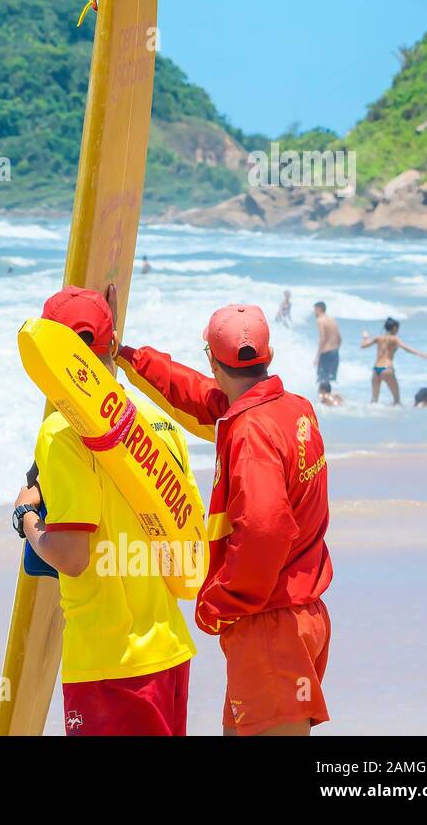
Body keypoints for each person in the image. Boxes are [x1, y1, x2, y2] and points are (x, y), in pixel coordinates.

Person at [117, 304, 332, 736]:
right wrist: (130, 358)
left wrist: (220, 603)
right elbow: (199, 396)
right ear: (267, 355)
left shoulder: (251, 431)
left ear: (213, 360)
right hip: (298, 614)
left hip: (269, 623)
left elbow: (265, 530)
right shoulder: (292, 408)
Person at [11, 286, 198, 736]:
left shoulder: (61, 433)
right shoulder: (158, 423)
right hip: (169, 651)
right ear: (112, 345)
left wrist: (28, 520)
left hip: (107, 664)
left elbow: (73, 556)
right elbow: (185, 538)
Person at [361, 318, 427, 405]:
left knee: (374, 401)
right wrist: (420, 353)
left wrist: (365, 337)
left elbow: (363, 345)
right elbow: (405, 347)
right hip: (387, 369)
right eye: (398, 328)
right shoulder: (394, 339)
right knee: (397, 400)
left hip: (376, 369)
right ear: (394, 328)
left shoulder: (378, 338)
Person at [313, 302, 341, 390]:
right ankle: (329, 401)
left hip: (325, 353)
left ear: (319, 309)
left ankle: (323, 402)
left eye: (314, 310)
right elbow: (339, 338)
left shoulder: (320, 320)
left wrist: (317, 356)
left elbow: (322, 339)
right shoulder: (333, 320)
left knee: (322, 380)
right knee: (328, 380)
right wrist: (335, 350)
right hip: (335, 352)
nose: (314, 313)